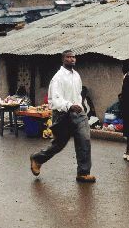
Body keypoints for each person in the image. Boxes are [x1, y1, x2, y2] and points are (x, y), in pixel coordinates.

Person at [30, 50, 96, 183]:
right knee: (59, 144)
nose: (72, 59)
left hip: (78, 113)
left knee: (84, 139)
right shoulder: (58, 78)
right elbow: (55, 100)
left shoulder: (76, 75)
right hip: (62, 114)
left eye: (73, 57)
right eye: (68, 57)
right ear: (63, 59)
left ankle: (83, 173)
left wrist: (79, 106)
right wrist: (69, 106)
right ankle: (37, 158)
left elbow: (78, 94)